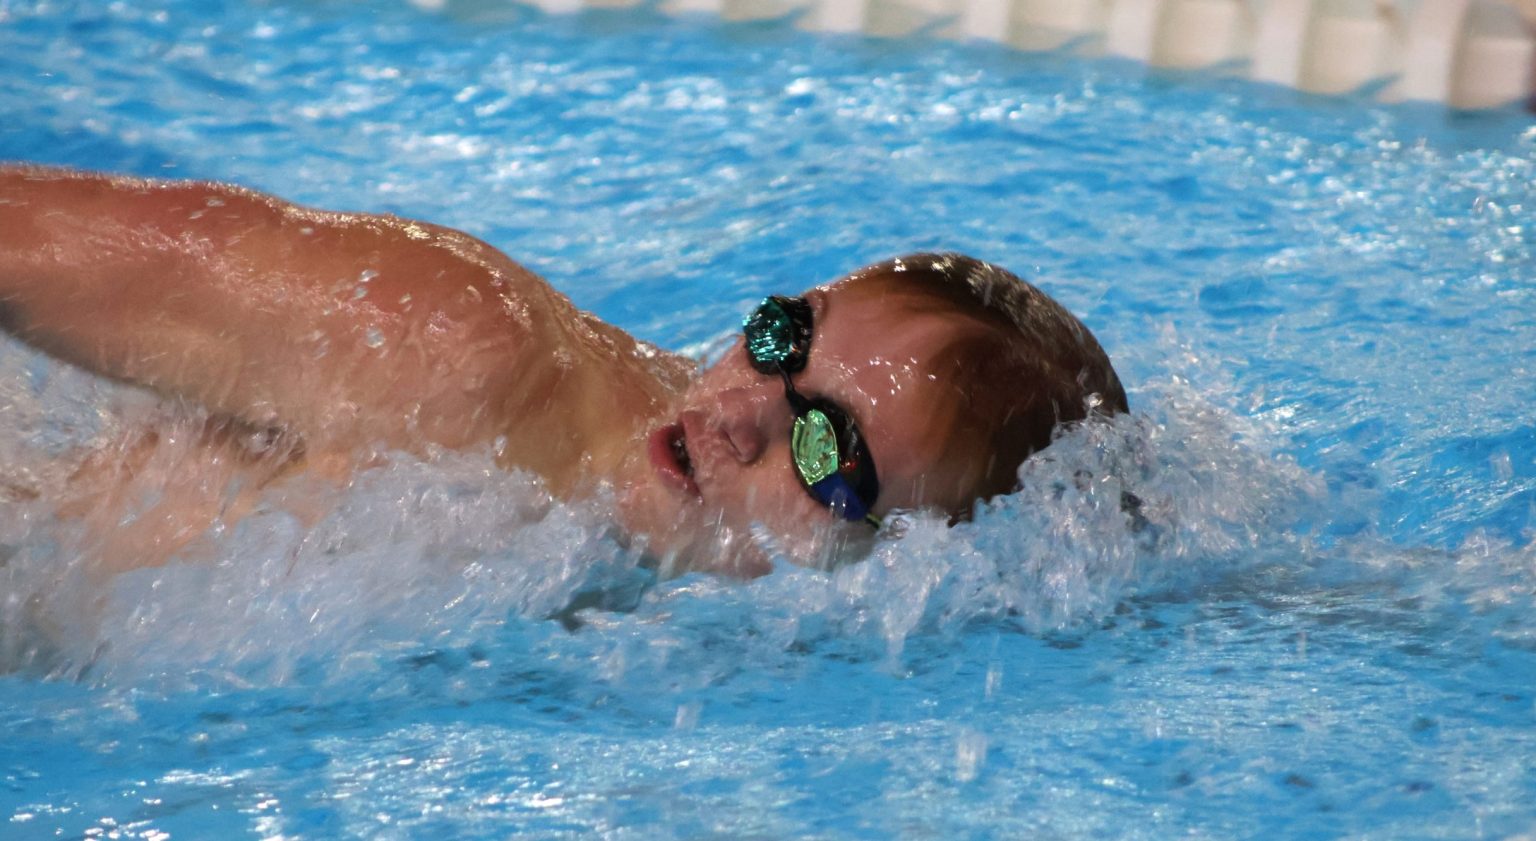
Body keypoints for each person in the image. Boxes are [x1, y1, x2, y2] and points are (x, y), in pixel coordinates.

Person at [0, 164, 1128, 579]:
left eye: (822, 442)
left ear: (916, 559)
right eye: (781, 337)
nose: (738, 411)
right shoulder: (460, 350)